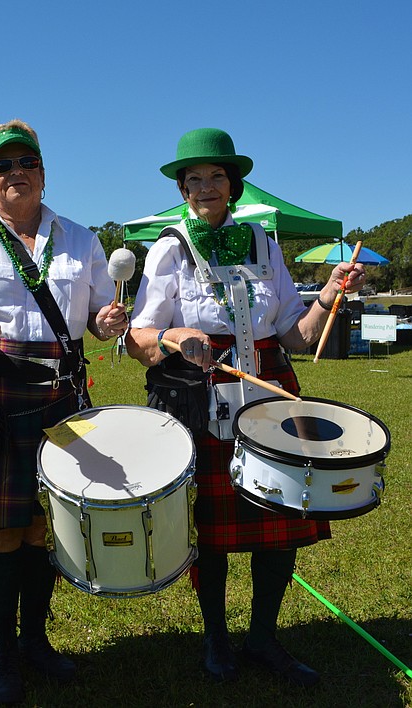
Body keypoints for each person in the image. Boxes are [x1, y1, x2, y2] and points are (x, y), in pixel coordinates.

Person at [125, 128, 366, 688]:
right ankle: (216, 638)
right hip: (201, 391)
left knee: (280, 516)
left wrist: (328, 293)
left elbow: (296, 334)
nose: (204, 187)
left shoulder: (263, 242)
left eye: (215, 177)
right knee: (211, 529)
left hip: (272, 386)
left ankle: (263, 635)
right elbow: (139, 337)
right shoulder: (168, 246)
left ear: (232, 186)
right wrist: (172, 338)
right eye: (194, 180)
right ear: (183, 190)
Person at [0, 119, 127, 704]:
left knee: (43, 527)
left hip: (60, 395)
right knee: (1, 530)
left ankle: (36, 641)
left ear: (43, 172)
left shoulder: (81, 239)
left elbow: (93, 316)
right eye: (3, 166)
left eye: (27, 163)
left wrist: (106, 322)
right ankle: (3, 654)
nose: (17, 173)